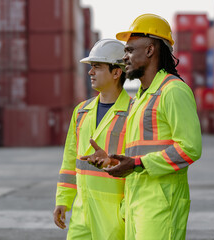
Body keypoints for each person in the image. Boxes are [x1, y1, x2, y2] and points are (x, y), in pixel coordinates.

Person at [81, 14, 202, 239]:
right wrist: (113, 160)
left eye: (129, 50)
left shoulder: (173, 91)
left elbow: (190, 148)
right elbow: (141, 153)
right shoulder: (140, 98)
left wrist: (137, 164)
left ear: (149, 50)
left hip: (162, 205)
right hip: (136, 204)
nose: (124, 57)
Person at [53, 38, 132, 239]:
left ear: (116, 72)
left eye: (97, 67)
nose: (90, 72)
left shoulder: (134, 111)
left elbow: (138, 163)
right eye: (91, 67)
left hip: (114, 214)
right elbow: (70, 161)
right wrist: (63, 200)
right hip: (82, 211)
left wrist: (126, 211)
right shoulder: (81, 111)